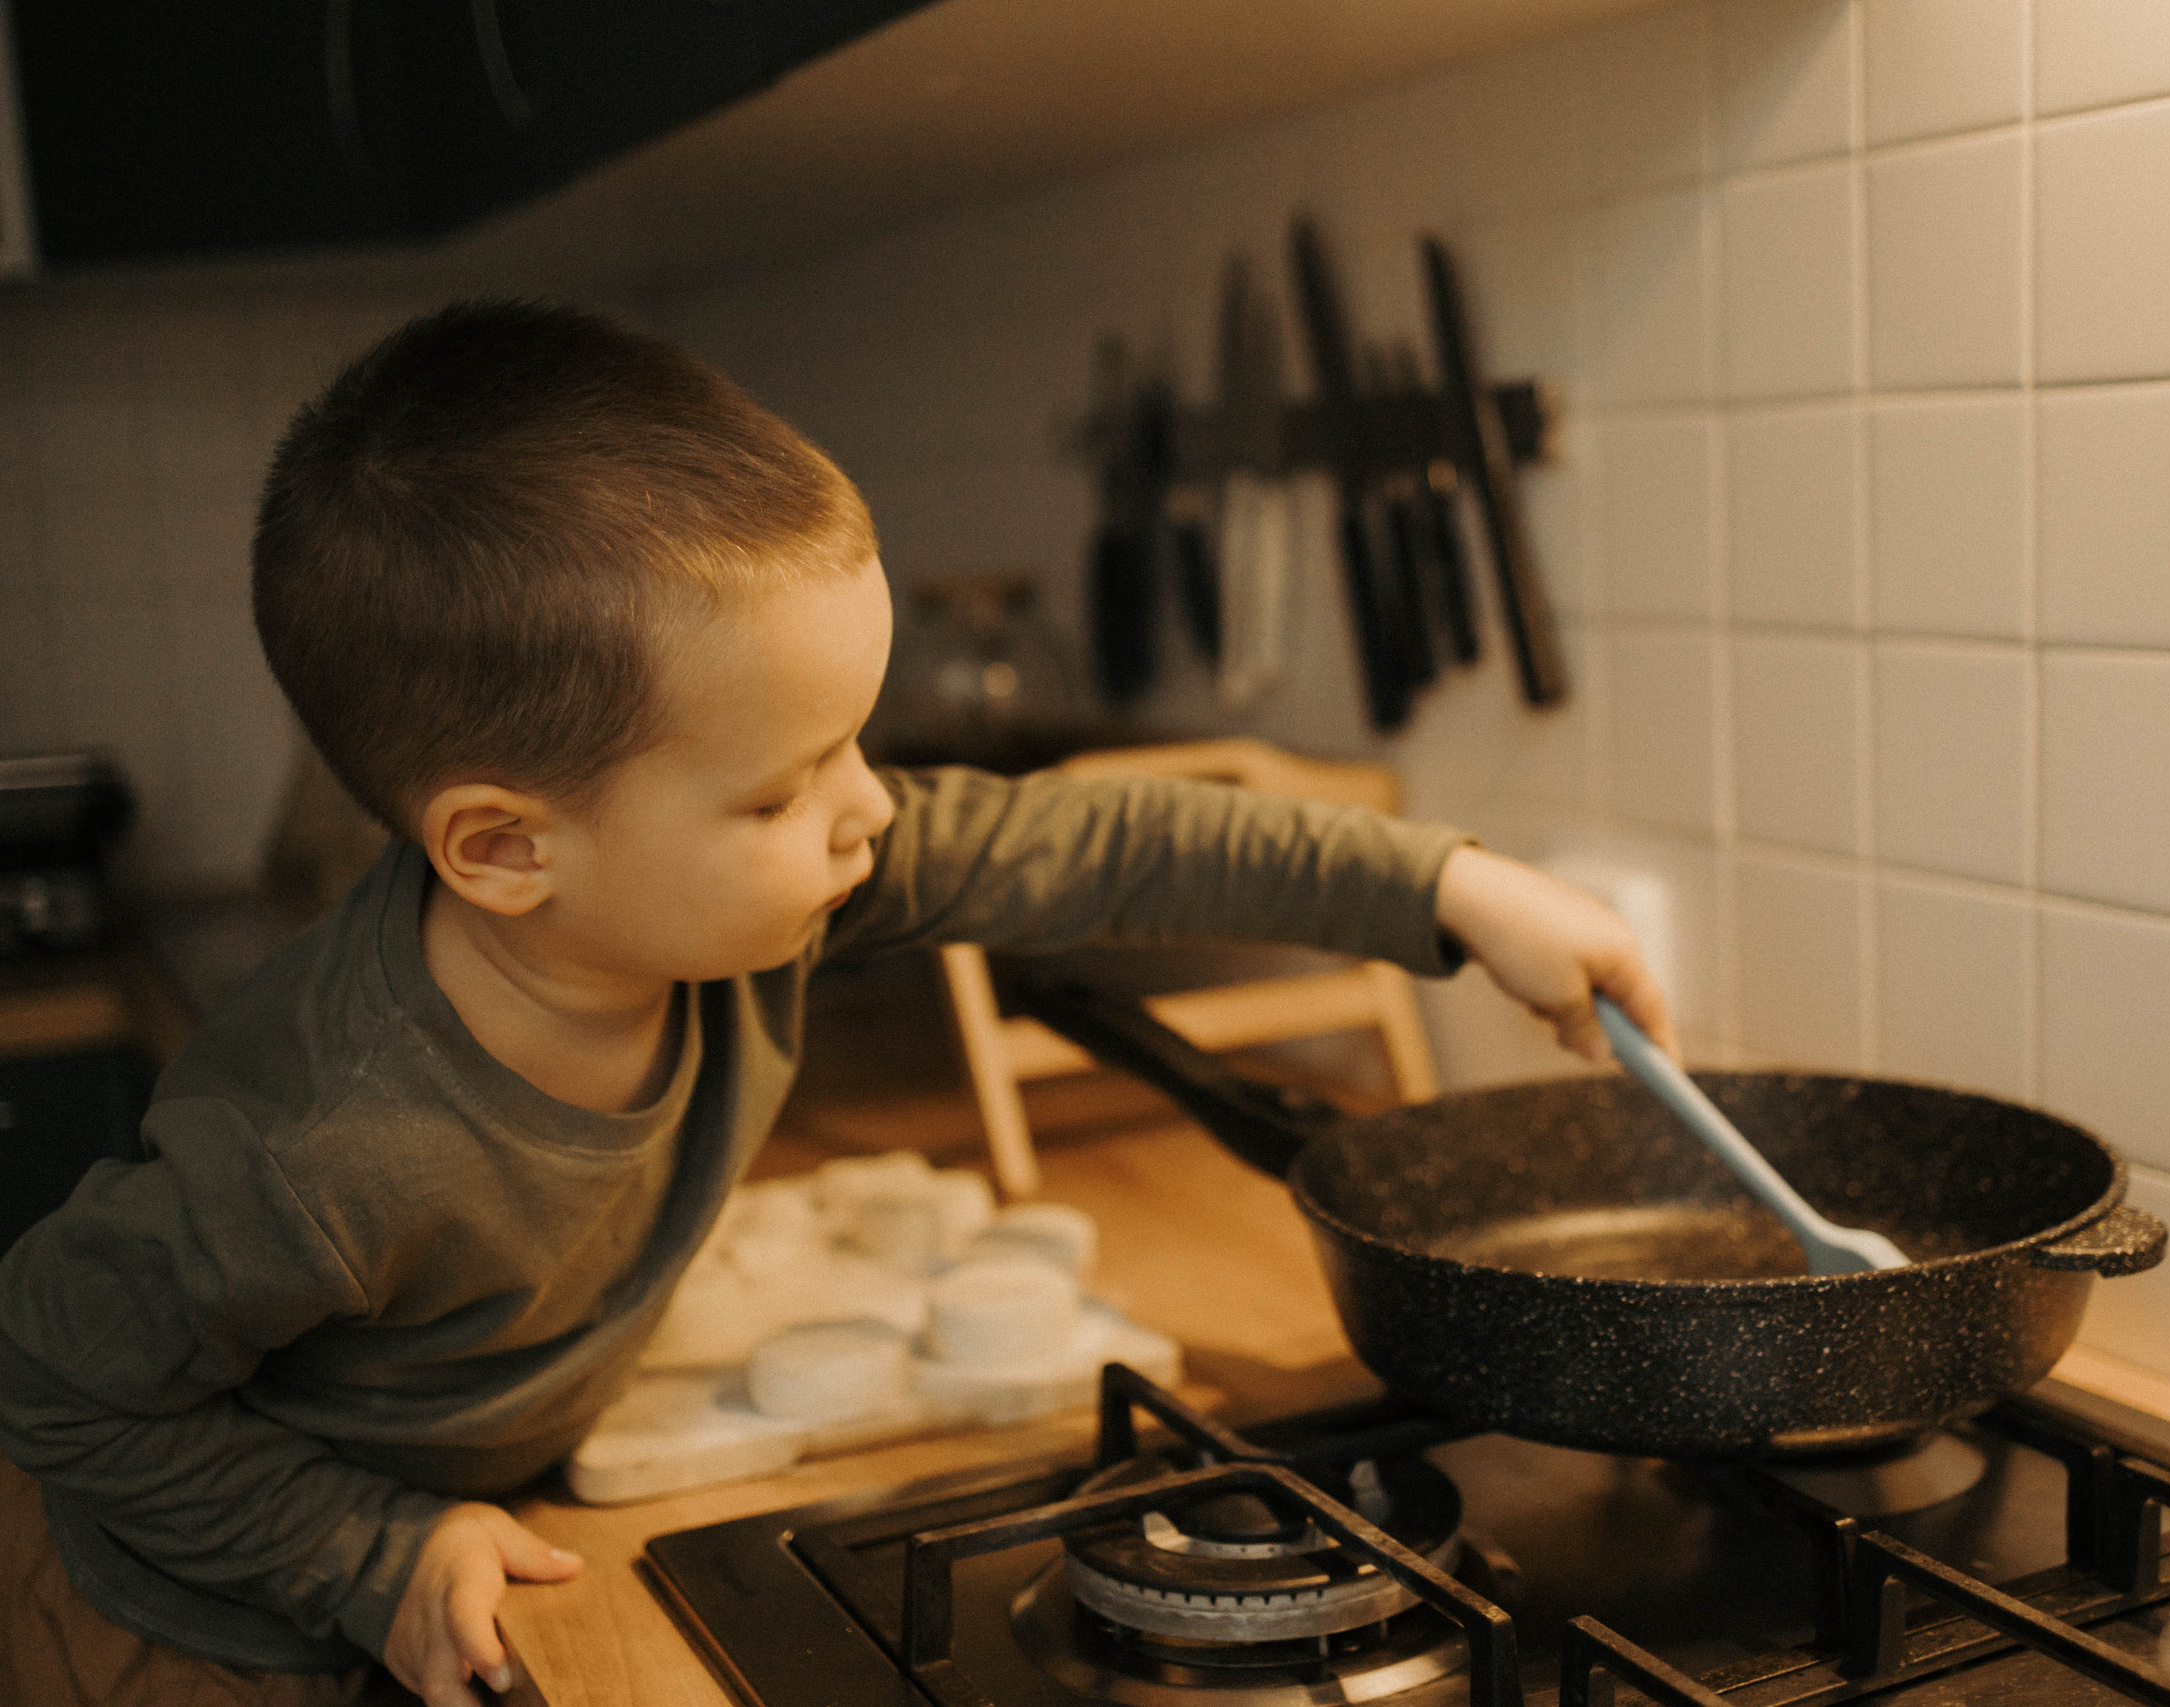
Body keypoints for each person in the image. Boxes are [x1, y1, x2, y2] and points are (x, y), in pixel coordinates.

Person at [0, 301, 1672, 1707]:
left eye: (855, 747)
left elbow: (1099, 838)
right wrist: (363, 1553)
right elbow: (59, 1375)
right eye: (789, 788)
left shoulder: (738, 902)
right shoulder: (336, 1146)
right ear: (508, 851)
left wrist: (1446, 892)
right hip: (199, 1625)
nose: (872, 812)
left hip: (461, 1524)